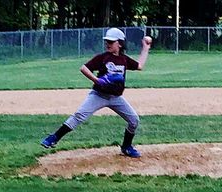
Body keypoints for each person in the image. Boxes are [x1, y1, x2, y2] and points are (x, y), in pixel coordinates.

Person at [40, 28, 151, 158]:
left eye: (111, 41)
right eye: (107, 41)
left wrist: (146, 48)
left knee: (134, 120)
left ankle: (126, 146)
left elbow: (139, 66)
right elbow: (84, 68)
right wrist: (97, 80)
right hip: (98, 95)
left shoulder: (124, 59)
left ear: (120, 44)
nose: (107, 43)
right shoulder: (103, 58)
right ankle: (54, 138)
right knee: (79, 115)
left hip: (116, 98)